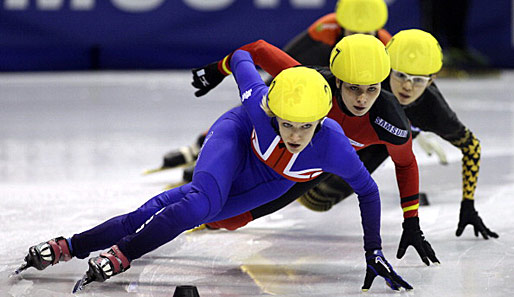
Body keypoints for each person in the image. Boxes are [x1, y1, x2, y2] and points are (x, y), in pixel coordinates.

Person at [14, 41, 412, 292]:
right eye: (287, 123)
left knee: (182, 208)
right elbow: (242, 56)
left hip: (273, 178)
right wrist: (215, 70)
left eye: (305, 126)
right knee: (198, 207)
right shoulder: (258, 104)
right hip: (237, 138)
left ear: (322, 120)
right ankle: (121, 254)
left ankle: (70, 246)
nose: (295, 134)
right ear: (273, 113)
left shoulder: (335, 148)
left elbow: (369, 191)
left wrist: (373, 250)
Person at [199, 30, 498, 242]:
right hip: (313, 137)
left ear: (432, 81)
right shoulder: (341, 81)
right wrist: (218, 71)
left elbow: (469, 146)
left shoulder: (425, 111)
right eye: (399, 76)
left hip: (357, 150)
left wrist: (467, 203)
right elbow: (262, 56)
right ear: (384, 69)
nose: (406, 87)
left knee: (315, 201)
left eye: (418, 81)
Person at [190, 35, 439, 266]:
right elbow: (258, 50)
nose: (362, 99)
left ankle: (198, 220)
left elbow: (405, 164)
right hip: (272, 139)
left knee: (230, 220)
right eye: (354, 88)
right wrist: (218, 69)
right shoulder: (313, 82)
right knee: (212, 193)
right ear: (338, 80)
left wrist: (412, 223)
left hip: (307, 166)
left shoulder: (390, 120)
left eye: (371, 89)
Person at [150, 0, 392, 173]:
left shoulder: (386, 46)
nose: (357, 38)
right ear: (341, 25)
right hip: (317, 70)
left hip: (343, 91)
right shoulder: (326, 28)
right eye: (351, 32)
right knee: (264, 98)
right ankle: (201, 145)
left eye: (366, 34)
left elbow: (389, 94)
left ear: (377, 30)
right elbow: (287, 56)